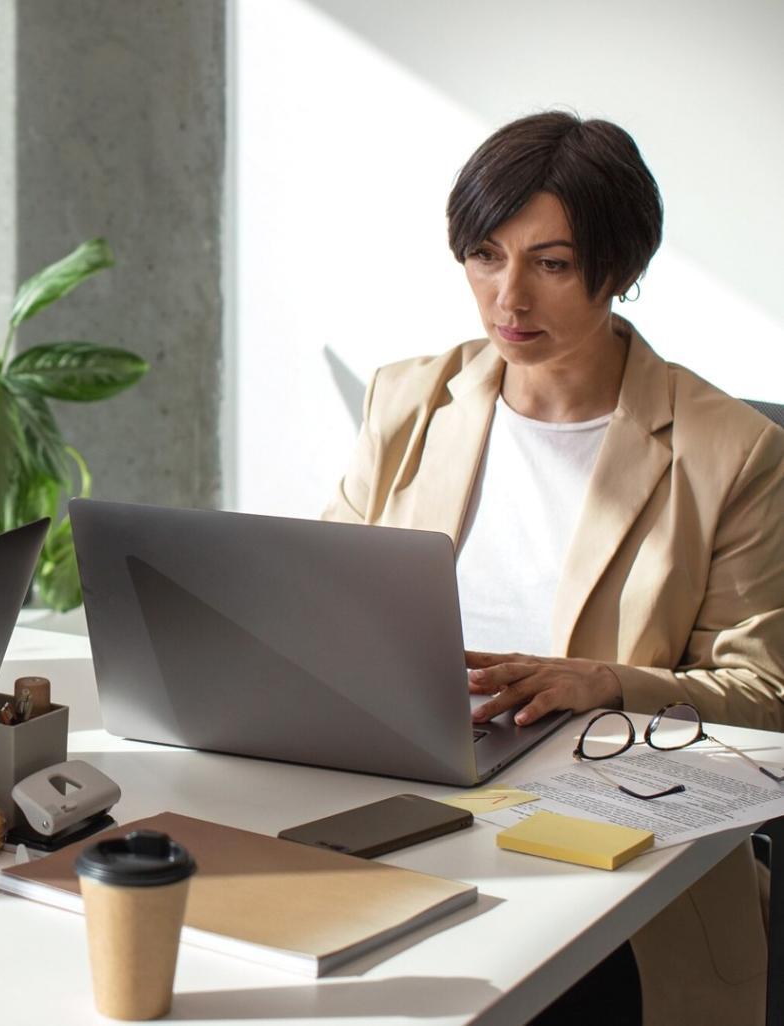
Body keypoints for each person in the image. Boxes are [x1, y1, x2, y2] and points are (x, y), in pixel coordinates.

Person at [326, 111, 784, 1025]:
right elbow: (321, 604)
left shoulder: (730, 449)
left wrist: (605, 682)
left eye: (552, 264)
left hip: (617, 856)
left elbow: (764, 691)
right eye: (485, 255)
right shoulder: (408, 398)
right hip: (406, 807)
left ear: (620, 269)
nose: (508, 300)